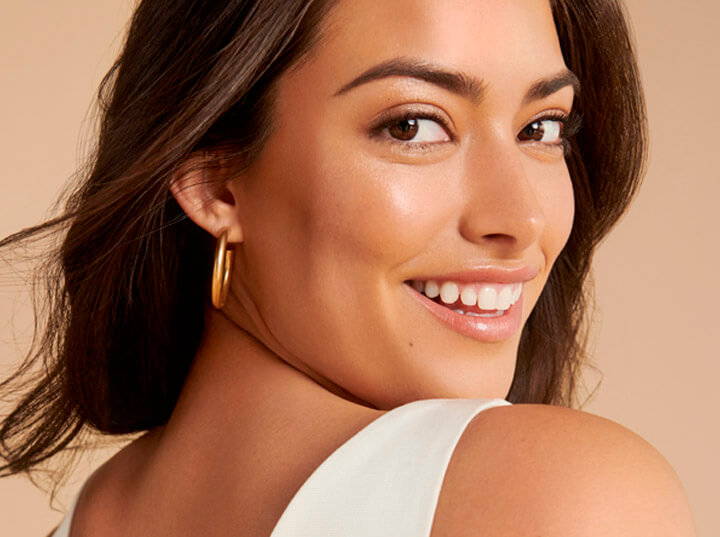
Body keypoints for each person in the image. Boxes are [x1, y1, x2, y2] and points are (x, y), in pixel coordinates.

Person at [0, 0, 696, 535]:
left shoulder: (93, 516)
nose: (521, 221)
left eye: (542, 128)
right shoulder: (566, 497)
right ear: (216, 183)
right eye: (413, 126)